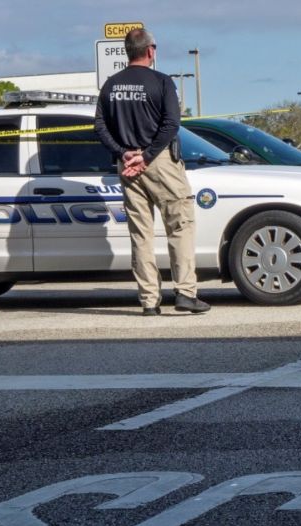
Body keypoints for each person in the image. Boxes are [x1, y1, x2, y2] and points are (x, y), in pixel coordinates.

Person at [94, 28, 211, 315]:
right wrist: (146, 156)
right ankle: (185, 293)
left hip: (127, 164)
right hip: (159, 162)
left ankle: (149, 301)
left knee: (140, 234)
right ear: (150, 51)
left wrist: (123, 153)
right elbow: (171, 124)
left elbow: (99, 126)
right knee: (180, 226)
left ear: (127, 52)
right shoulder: (161, 81)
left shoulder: (111, 85)